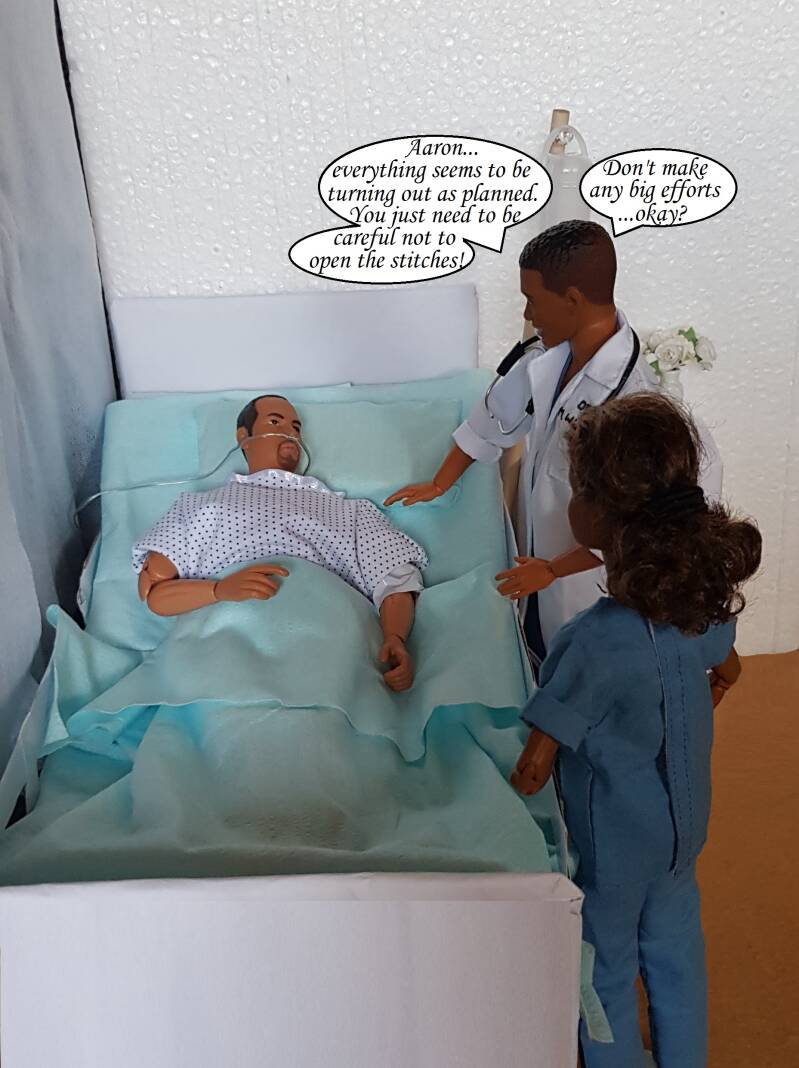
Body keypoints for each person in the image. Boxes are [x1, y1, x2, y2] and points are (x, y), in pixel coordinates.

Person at [511, 393, 762, 1068]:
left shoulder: (592, 643)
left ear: (597, 515)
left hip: (615, 844)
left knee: (606, 967)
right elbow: (729, 669)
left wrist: (509, 786)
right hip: (685, 825)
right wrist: (695, 702)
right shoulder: (704, 607)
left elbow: (534, 766)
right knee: (677, 950)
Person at [384, 219, 722, 668]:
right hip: (538, 561)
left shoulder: (636, 404)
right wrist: (440, 483)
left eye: (532, 300)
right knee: (538, 651)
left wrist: (554, 569)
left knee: (582, 667)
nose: (528, 314)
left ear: (572, 300)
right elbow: (493, 418)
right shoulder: (545, 360)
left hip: (587, 582)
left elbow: (643, 529)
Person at [133, 394, 427, 692]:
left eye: (296, 427)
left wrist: (395, 637)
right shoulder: (203, 506)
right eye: (275, 422)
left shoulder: (348, 512)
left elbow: (396, 580)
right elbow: (157, 595)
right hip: (223, 643)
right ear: (243, 437)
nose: (290, 433)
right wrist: (220, 590)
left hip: (324, 644)